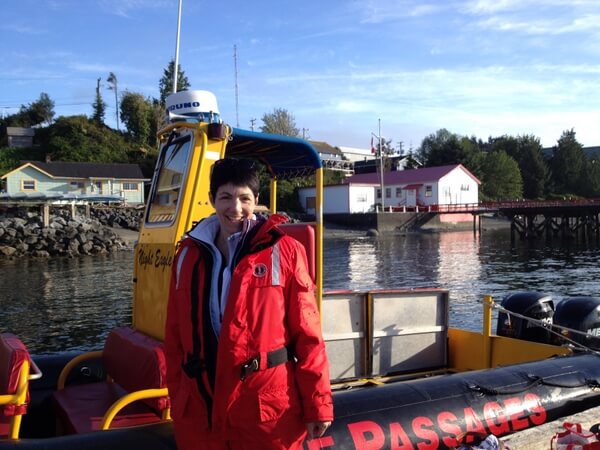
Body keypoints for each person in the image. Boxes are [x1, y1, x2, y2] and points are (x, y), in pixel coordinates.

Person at [165, 158, 333, 450]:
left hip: (266, 410)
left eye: (244, 198)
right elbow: (174, 336)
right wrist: (178, 396)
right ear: (211, 200)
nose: (236, 208)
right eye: (226, 197)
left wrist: (318, 404)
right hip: (199, 405)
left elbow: (309, 335)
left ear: (257, 201)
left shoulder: (287, 252)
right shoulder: (186, 255)